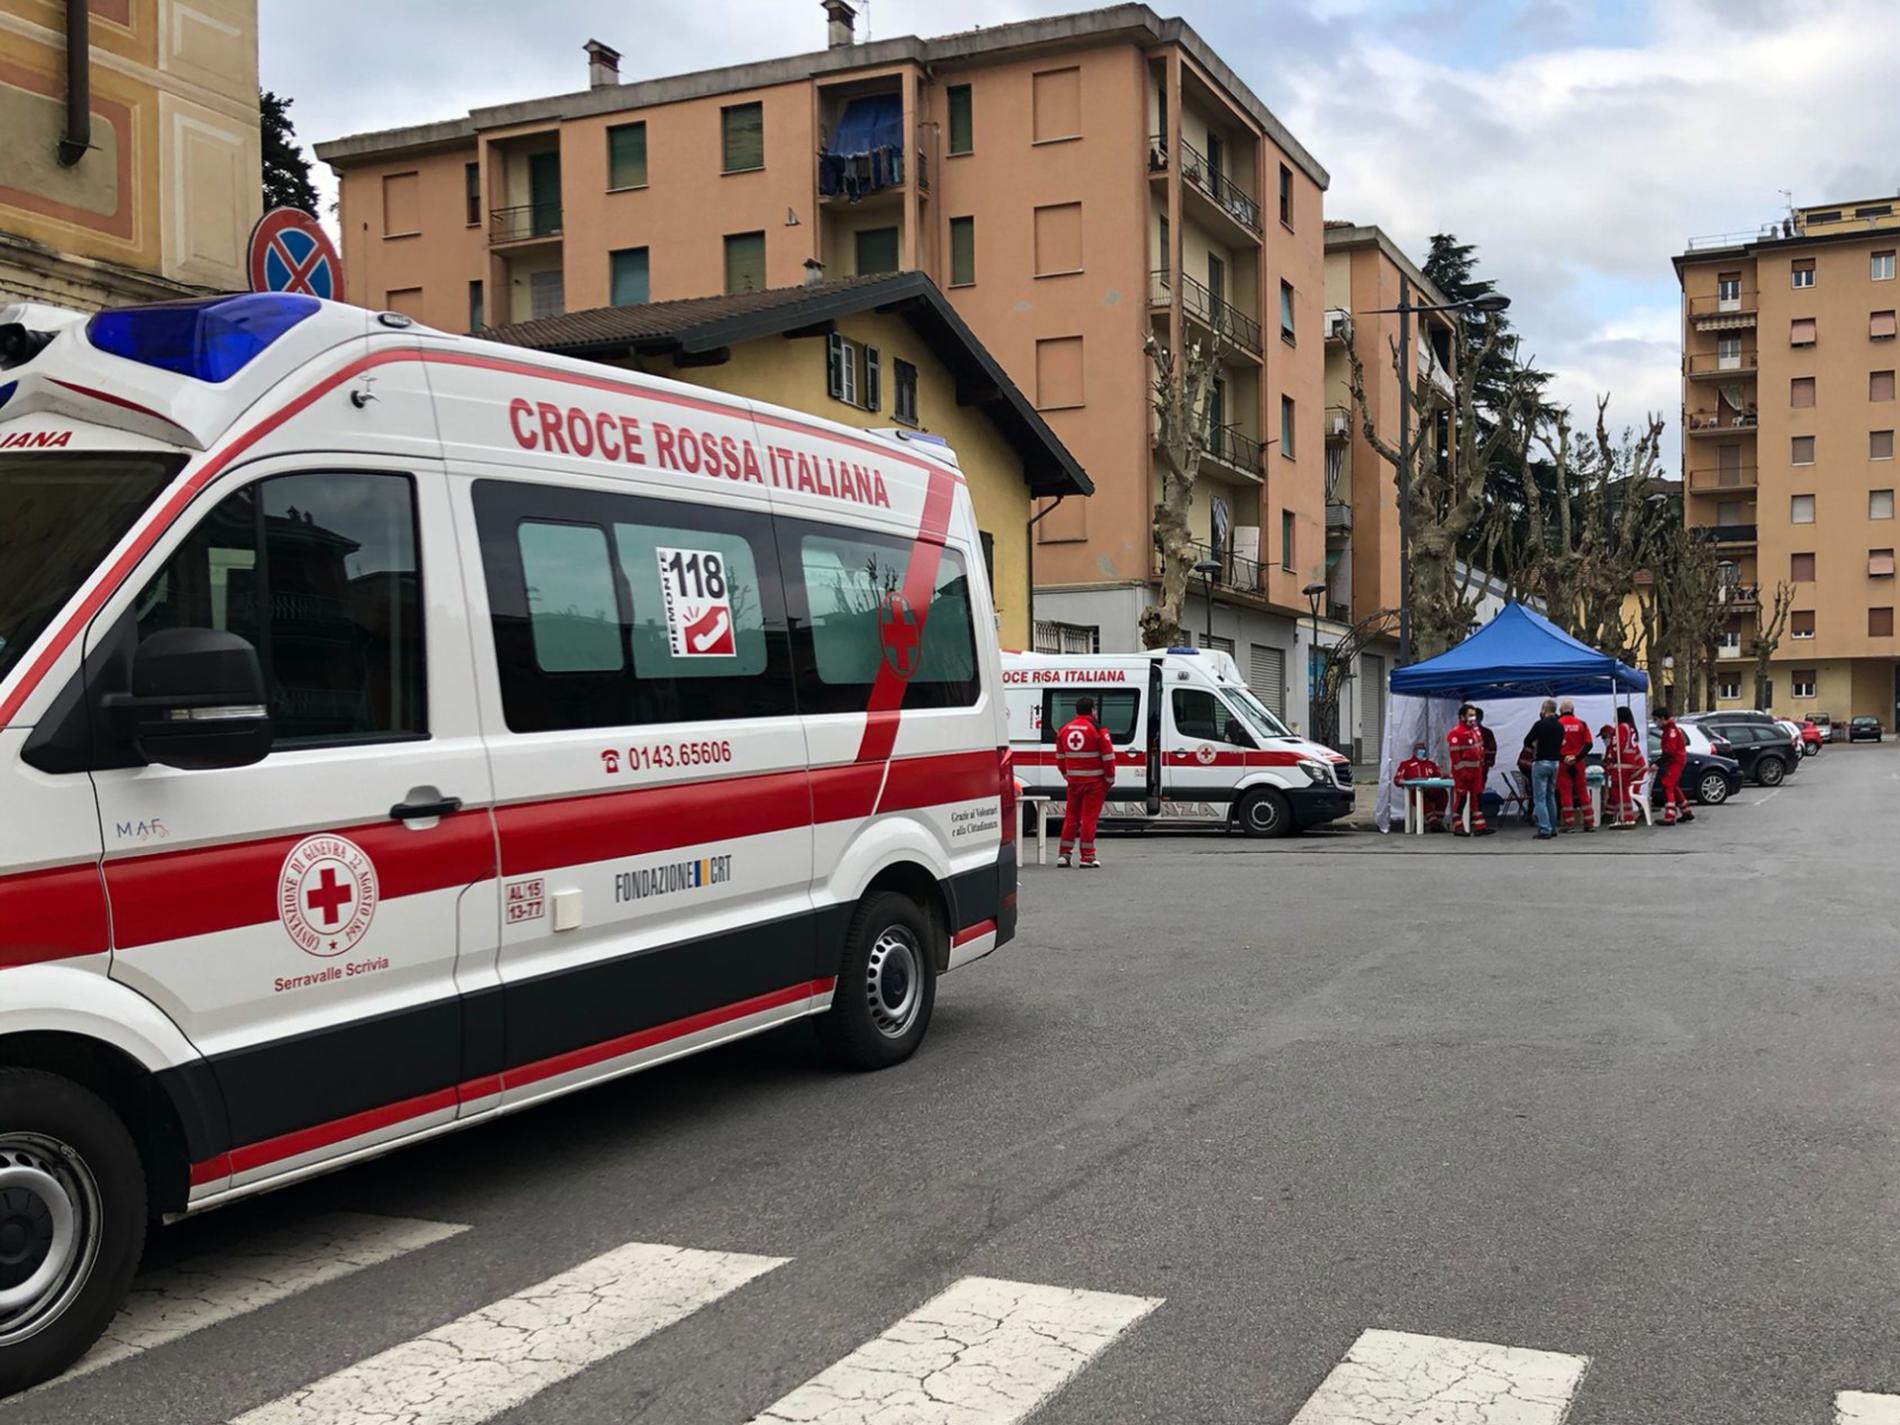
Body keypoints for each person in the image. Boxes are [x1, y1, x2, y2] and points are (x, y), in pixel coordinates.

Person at [1054, 695, 1116, 868]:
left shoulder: (1064, 729)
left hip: (1074, 782)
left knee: (1071, 817)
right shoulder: (1098, 729)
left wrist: (1067, 775)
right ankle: (1087, 857)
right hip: (1094, 782)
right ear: (1092, 710)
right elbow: (1108, 757)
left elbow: (1060, 757)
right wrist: (1109, 779)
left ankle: (1064, 855)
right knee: (1089, 819)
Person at [1523, 698, 1566, 840]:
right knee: (1550, 796)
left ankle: (1545, 828)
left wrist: (1536, 744)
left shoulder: (1539, 725)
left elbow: (1527, 740)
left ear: (1544, 709)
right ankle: (1553, 827)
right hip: (1555, 763)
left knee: (1539, 799)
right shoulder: (1560, 726)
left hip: (1541, 762)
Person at [1445, 705, 1491, 836]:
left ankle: (1480, 827)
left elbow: (1480, 749)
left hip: (1476, 772)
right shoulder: (1456, 733)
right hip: (1463, 774)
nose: (1473, 718)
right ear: (1462, 717)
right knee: (1461, 800)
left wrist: (1481, 766)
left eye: (1474, 715)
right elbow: (1455, 757)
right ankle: (1458, 827)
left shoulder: (1475, 730)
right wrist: (1462, 772)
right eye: (1470, 715)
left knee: (1477, 798)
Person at [1556, 698, 1596, 832]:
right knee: (1583, 792)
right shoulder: (1581, 724)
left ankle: (1569, 824)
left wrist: (1564, 758)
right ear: (1573, 711)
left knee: (1565, 793)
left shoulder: (1557, 724)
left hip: (1563, 764)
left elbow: (1552, 745)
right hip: (1578, 763)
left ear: (1560, 711)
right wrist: (1576, 757)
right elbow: (1589, 744)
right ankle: (1589, 822)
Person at [1606, 706, 1648, 827]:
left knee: (1619, 791)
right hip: (1629, 763)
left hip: (1622, 764)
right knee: (1621, 790)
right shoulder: (1630, 728)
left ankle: (1626, 817)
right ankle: (1625, 816)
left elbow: (1617, 745)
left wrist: (1610, 758)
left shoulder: (1620, 728)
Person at [1395, 739, 1448, 832]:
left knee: (1443, 793)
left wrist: (1444, 775)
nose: (1421, 751)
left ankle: (1439, 820)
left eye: (1423, 749)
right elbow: (1397, 779)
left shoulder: (1431, 765)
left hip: (1431, 790)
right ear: (1414, 751)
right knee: (1417, 795)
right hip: (1416, 791)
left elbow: (1439, 775)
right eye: (1419, 749)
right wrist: (1402, 781)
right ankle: (1433, 821)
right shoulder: (1406, 764)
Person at [1657, 706, 1694, 825]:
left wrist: (1658, 763)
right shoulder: (1669, 730)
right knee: (1674, 785)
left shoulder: (1671, 731)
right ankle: (1686, 810)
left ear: (1663, 718)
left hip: (1675, 761)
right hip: (1675, 760)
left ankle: (1670, 816)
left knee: (1667, 784)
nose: (1656, 723)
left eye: (1656, 719)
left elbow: (1670, 751)